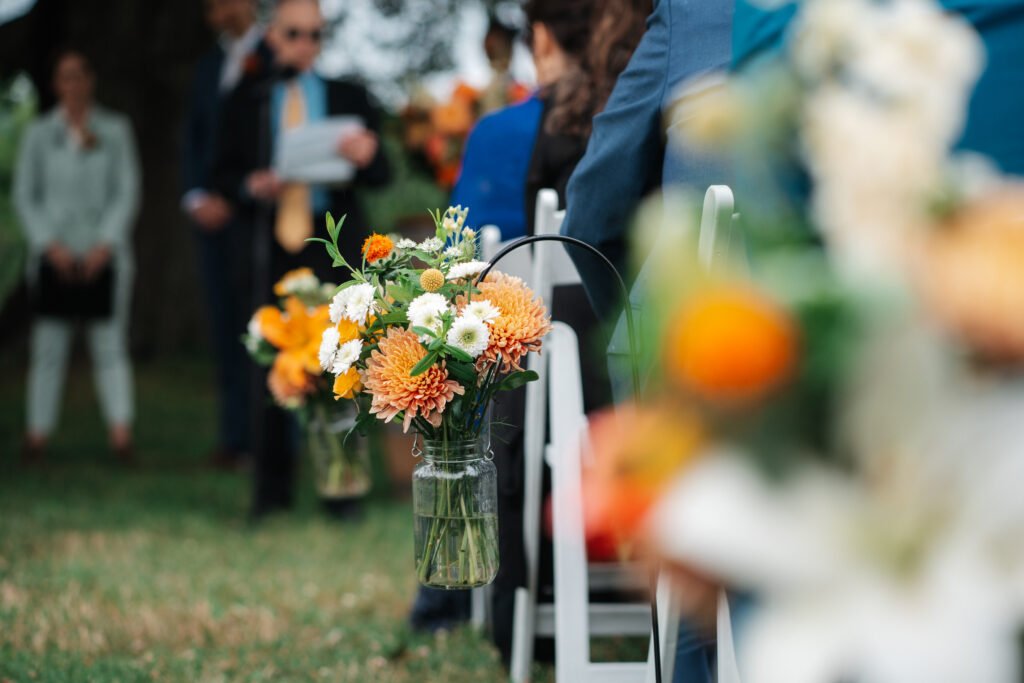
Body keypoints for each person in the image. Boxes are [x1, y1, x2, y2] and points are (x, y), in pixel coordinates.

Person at [558, 1, 735, 681]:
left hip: (695, 359)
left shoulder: (696, 17)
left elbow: (592, 216)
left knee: (693, 535)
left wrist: (633, 333)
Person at [213, 0, 391, 518]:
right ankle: (270, 492)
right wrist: (252, 185)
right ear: (273, 35)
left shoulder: (348, 96)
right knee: (270, 360)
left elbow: (381, 172)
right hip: (270, 242)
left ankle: (344, 489)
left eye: (316, 35)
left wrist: (368, 153)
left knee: (342, 361)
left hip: (329, 240)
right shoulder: (249, 97)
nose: (305, 46)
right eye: (295, 34)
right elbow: (220, 172)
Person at [14, 48, 140, 464]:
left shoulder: (115, 129)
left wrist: (106, 242)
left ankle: (121, 433)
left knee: (109, 345)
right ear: (56, 83)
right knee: (48, 347)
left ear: (91, 80)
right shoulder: (38, 133)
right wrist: (49, 244)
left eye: (80, 75)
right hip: (54, 255)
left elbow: (127, 190)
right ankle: (37, 434)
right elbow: (25, 195)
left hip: (106, 255)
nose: (73, 84)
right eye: (64, 76)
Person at [182, 0, 262, 470]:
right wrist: (196, 195)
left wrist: (237, 194)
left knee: (259, 327)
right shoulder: (208, 66)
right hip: (208, 217)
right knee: (223, 326)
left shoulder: (274, 55)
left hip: (253, 215)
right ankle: (233, 437)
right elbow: (192, 135)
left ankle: (263, 441)